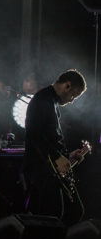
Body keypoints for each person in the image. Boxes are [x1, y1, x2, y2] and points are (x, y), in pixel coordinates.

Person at [23, 69, 87, 225]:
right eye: (73, 95)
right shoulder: (42, 99)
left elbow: (50, 139)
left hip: (50, 168)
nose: (72, 100)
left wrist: (67, 156)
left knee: (73, 211)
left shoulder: (52, 102)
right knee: (54, 215)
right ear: (67, 85)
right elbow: (33, 133)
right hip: (42, 168)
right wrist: (57, 157)